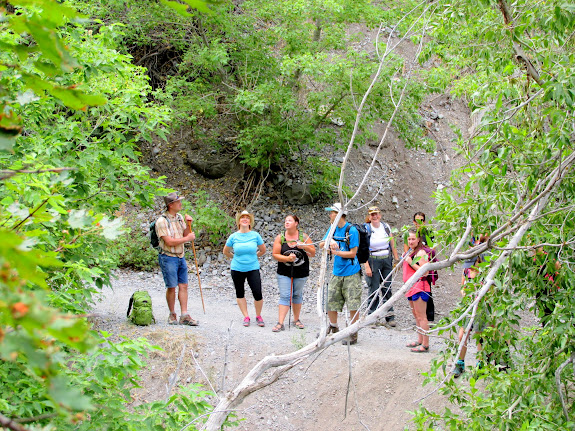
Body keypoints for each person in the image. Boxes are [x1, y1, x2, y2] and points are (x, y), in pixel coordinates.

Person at [319, 203, 362, 345]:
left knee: (353, 303)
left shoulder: (352, 230)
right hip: (336, 272)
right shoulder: (332, 228)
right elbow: (321, 244)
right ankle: (333, 326)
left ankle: (352, 332)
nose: (329, 215)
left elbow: (353, 253)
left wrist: (335, 252)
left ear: (339, 214)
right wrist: (330, 240)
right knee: (331, 301)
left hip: (351, 273)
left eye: (332, 212)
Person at [156, 192, 199, 326]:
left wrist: (188, 224)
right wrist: (187, 239)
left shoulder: (179, 217)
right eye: (178, 201)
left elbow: (184, 234)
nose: (180, 203)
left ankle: (184, 315)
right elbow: (169, 242)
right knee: (171, 287)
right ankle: (172, 314)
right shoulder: (162, 221)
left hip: (180, 256)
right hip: (168, 257)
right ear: (170, 205)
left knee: (184, 285)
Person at [271, 215, 316, 332]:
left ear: (296, 223)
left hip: (301, 272)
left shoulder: (304, 236)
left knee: (297, 294)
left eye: (289, 220)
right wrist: (287, 259)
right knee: (285, 295)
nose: (287, 222)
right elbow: (275, 254)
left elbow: (313, 252)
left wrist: (304, 246)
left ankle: (296, 319)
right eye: (286, 221)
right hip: (284, 272)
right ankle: (280, 322)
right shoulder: (280, 237)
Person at [223, 210, 267, 327]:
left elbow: (263, 250)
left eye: (247, 218)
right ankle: (246, 316)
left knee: (257, 293)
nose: (245, 219)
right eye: (243, 217)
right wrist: (234, 258)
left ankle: (258, 316)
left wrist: (254, 256)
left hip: (253, 267)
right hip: (237, 268)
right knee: (240, 293)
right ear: (239, 221)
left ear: (250, 222)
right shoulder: (234, 236)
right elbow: (226, 251)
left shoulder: (255, 235)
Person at [363, 206, 399, 326]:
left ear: (380, 215)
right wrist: (366, 266)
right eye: (372, 214)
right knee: (373, 289)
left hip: (386, 259)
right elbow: (363, 249)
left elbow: (392, 244)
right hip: (373, 259)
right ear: (369, 216)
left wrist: (396, 258)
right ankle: (372, 316)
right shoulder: (366, 229)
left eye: (376, 214)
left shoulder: (386, 227)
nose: (375, 216)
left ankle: (390, 316)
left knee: (387, 288)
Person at [403, 228, 430, 352]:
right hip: (411, 287)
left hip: (420, 287)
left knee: (421, 316)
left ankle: (425, 344)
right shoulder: (411, 251)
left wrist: (410, 262)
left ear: (419, 239)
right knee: (416, 315)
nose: (411, 241)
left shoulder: (420, 253)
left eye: (413, 239)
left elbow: (425, 272)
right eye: (409, 239)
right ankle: (420, 340)